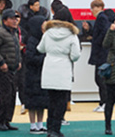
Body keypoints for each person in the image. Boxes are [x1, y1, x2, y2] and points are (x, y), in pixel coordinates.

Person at [38, 7, 82, 137]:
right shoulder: (72, 35)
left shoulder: (48, 33)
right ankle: (56, 129)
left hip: (49, 68)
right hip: (63, 69)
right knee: (61, 101)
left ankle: (50, 127)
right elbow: (75, 56)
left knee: (51, 101)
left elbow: (40, 48)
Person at [0, 9, 22, 131]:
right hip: (2, 69)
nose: (15, 20)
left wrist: (19, 61)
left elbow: (16, 49)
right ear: (5, 20)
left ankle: (7, 120)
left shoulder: (14, 32)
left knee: (12, 95)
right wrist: (1, 62)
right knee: (5, 95)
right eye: (12, 18)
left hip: (12, 69)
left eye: (16, 18)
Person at [88, 0, 115, 113]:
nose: (91, 11)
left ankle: (105, 102)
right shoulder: (102, 18)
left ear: (98, 7)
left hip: (101, 53)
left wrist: (97, 41)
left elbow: (104, 32)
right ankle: (103, 102)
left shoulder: (101, 18)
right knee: (99, 78)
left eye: (92, 8)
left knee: (101, 79)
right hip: (101, 53)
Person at [24, 15, 48, 134]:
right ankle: (33, 125)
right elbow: (30, 58)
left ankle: (40, 123)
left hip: (41, 74)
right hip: (33, 74)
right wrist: (45, 58)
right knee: (33, 102)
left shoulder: (44, 38)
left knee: (42, 101)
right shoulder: (32, 40)